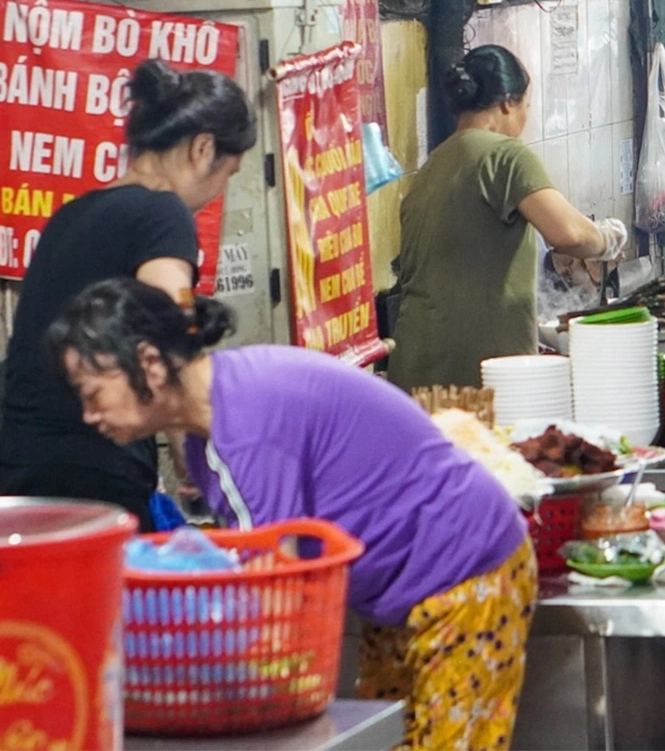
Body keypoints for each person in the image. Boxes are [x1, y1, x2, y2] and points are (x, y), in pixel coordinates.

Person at [51, 279, 537, 750]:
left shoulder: (245, 427)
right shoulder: (214, 427)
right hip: (398, 597)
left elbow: (274, 597)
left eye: (92, 394)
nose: (89, 415)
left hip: (465, 568)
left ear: (150, 363)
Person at [0, 59, 254, 527]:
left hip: (21, 464)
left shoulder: (72, 215)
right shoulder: (163, 213)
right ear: (202, 149)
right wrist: (192, 451)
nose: (219, 192)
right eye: (228, 174)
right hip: (97, 465)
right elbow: (171, 332)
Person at [390, 46, 627, 388]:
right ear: (507, 104)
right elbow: (570, 235)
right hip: (482, 372)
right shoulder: (506, 155)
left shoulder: (431, 167)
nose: (525, 120)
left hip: (414, 368)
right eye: (526, 107)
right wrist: (608, 238)